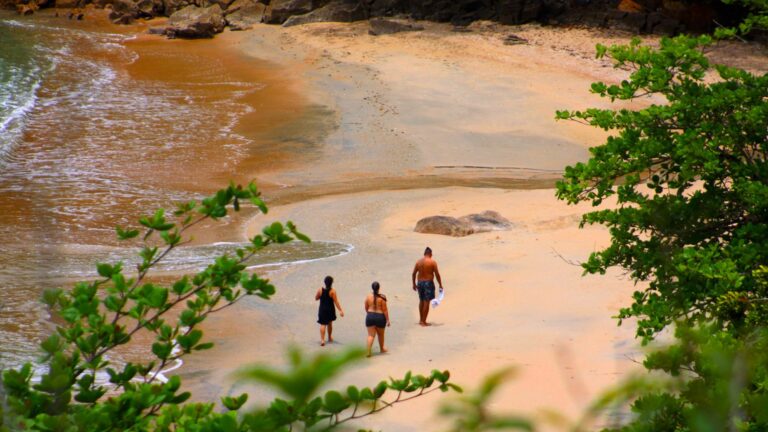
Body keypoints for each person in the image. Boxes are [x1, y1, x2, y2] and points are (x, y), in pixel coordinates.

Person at [412, 246, 443, 326]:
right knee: (426, 301)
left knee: (421, 300)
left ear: (424, 254)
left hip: (419, 283)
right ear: (430, 254)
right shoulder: (432, 262)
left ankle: (421, 320)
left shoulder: (418, 262)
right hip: (428, 283)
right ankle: (423, 321)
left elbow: (414, 273)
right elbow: (437, 274)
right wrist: (440, 284)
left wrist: (414, 284)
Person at [316, 275, 344, 346]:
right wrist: (340, 310)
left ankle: (322, 340)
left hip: (322, 309)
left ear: (324, 282)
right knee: (330, 323)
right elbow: (336, 302)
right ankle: (329, 337)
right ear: (331, 283)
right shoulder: (332, 291)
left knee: (323, 324)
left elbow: (316, 298)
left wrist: (320, 296)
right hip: (330, 309)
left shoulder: (320, 290)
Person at [364, 281, 390, 357]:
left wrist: (369, 314)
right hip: (380, 317)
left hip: (370, 316)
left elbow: (366, 307)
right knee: (381, 335)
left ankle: (368, 352)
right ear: (379, 288)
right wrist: (388, 320)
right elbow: (385, 310)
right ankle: (382, 349)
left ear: (372, 288)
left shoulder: (368, 296)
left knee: (371, 335)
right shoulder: (382, 297)